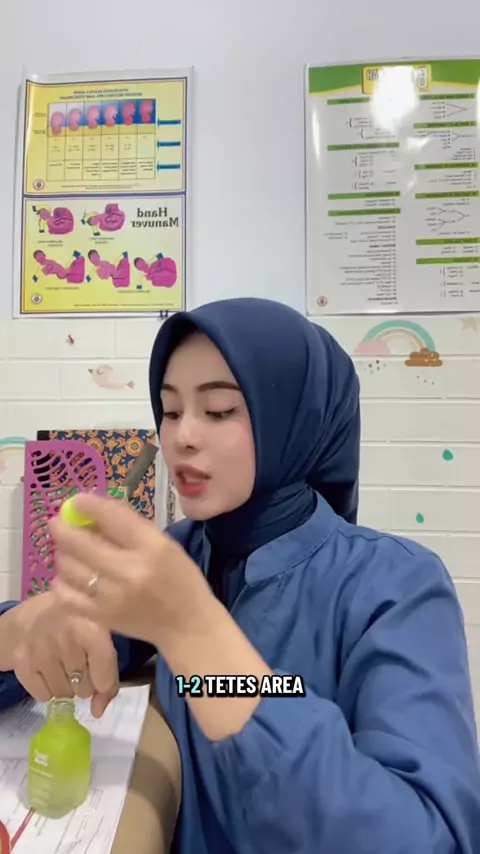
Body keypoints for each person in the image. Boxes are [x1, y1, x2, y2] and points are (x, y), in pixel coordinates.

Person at [0, 297, 479, 853]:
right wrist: (21, 630)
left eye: (220, 410)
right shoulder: (177, 554)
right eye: (170, 410)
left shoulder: (396, 585)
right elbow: (61, 640)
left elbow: (432, 837)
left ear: (295, 421)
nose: (182, 436)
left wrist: (197, 635)